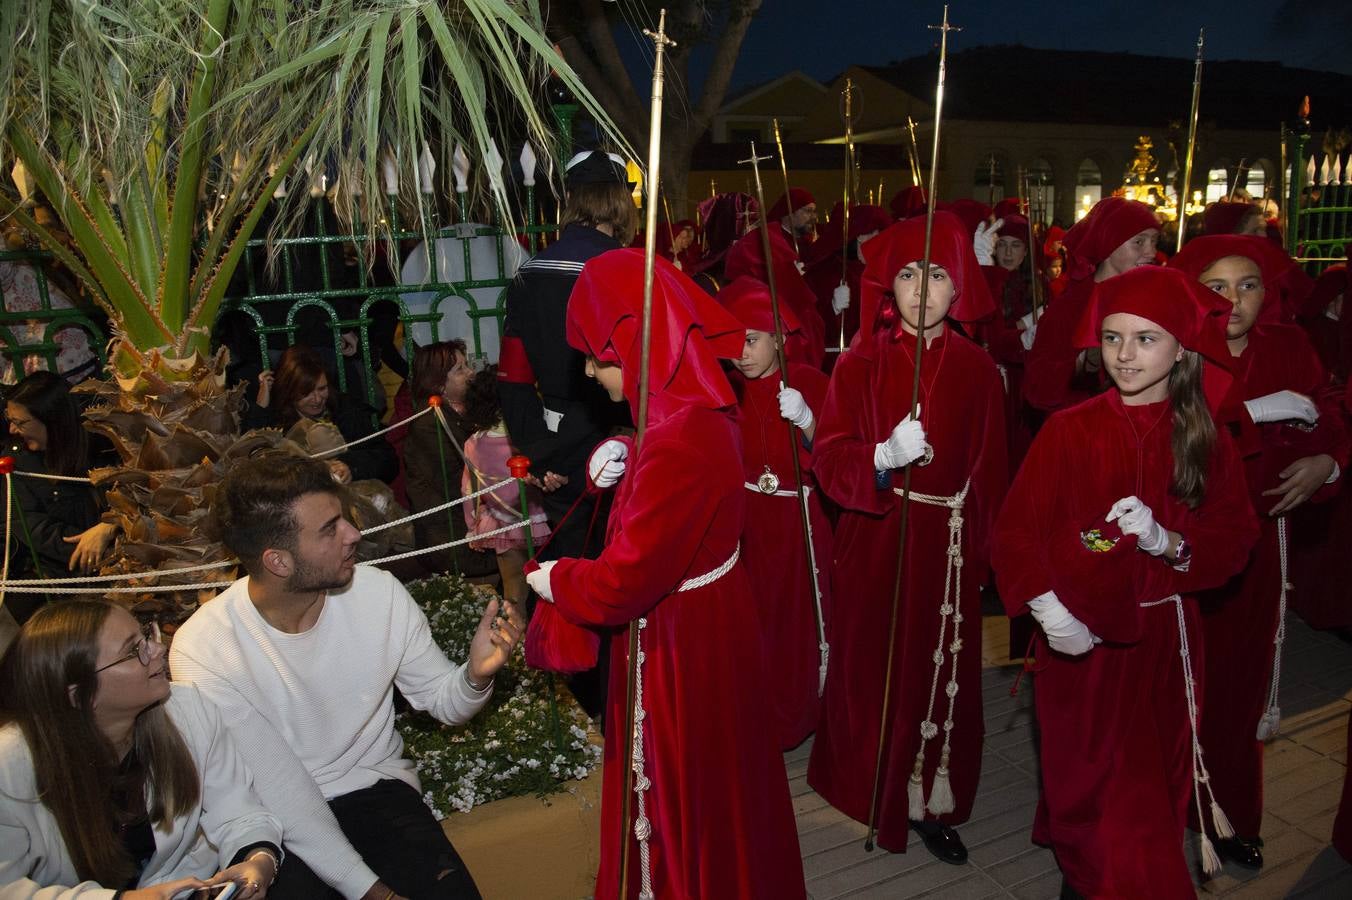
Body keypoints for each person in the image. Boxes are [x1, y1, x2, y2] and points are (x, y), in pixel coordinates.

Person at [523, 249, 805, 898]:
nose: (590, 372)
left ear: (636, 343)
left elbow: (624, 582)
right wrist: (624, 450)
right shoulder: (689, 416)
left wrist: (558, 580)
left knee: (683, 792)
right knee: (720, 789)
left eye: (599, 356)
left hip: (681, 645)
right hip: (708, 623)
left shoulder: (679, 441)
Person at [992, 266, 1259, 898]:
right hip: (1080, 646)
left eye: (1146, 339)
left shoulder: (1202, 437)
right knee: (1083, 781)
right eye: (1113, 338)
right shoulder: (1069, 430)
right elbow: (1014, 534)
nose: (1126, 355)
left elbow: (1234, 537)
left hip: (1165, 643)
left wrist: (1172, 543)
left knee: (1145, 797)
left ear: (1182, 349)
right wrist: (1049, 608)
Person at [169, 455, 524, 900]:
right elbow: (280, 793)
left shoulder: (378, 594)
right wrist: (376, 893)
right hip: (271, 826)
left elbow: (442, 702)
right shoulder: (204, 648)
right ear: (277, 561)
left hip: (375, 791)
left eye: (344, 518)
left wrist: (474, 676)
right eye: (329, 528)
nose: (353, 534)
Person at [806, 212, 1008, 864]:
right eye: (908, 273)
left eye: (940, 273)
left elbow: (990, 475)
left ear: (961, 286)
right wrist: (880, 457)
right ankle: (869, 784)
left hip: (946, 550)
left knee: (937, 673)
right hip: (880, 537)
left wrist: (982, 560)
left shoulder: (980, 371)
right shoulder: (860, 363)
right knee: (877, 673)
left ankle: (927, 796)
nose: (922, 289)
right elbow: (829, 463)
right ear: (888, 284)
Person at [1170, 235, 1348, 869]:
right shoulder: (1180, 348)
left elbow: (1329, 413)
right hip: (1185, 544)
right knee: (1178, 683)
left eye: (1248, 284)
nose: (1235, 298)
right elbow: (1166, 430)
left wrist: (1329, 462)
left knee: (1241, 686)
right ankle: (1164, 808)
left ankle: (1229, 812)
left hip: (1264, 544)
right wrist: (1247, 413)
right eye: (1217, 285)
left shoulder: (1288, 346)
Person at [0, 600, 282, 898]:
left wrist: (259, 859)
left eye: (146, 635)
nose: (158, 650)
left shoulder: (189, 711)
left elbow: (238, 811)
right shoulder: (10, 766)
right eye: (134, 651)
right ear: (80, 694)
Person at [720, 276, 833, 749]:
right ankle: (757, 714)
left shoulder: (811, 382)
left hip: (799, 521)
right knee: (752, 622)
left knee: (799, 621)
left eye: (751, 339)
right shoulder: (723, 389)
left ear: (780, 339)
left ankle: (799, 713)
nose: (741, 352)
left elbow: (842, 456)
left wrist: (810, 424)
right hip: (747, 524)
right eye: (732, 342)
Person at [1023, 197, 1160, 413]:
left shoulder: (1151, 299)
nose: (1151, 253)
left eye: (1154, 241)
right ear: (1109, 244)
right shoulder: (1072, 306)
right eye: (1139, 242)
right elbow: (1038, 388)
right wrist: (1081, 364)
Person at [2, 372, 118, 623]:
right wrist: (86, 548)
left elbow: (134, 499)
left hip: (118, 566)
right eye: (9, 420)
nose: (12, 429)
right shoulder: (18, 460)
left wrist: (108, 527)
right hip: (57, 571)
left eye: (20, 422)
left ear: (52, 421)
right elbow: (29, 525)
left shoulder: (104, 447)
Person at [402, 340, 498, 579]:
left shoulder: (463, 413)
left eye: (467, 365)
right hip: (451, 535)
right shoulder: (430, 424)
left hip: (472, 523)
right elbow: (455, 484)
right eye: (460, 369)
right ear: (438, 384)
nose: (470, 373)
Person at [459, 365, 551, 606]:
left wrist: (472, 527)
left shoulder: (474, 444)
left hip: (502, 525)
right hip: (539, 522)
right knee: (547, 586)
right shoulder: (530, 440)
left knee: (513, 592)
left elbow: (469, 491)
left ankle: (516, 640)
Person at [245, 345, 397, 484]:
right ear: (289, 392)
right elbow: (249, 459)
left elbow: (386, 459)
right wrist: (261, 406)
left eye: (322, 388)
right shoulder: (277, 419)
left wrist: (351, 466)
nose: (317, 399)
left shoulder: (344, 408)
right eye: (306, 393)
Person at [769, 187, 818, 255]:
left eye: (814, 211)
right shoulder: (772, 242)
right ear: (789, 212)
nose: (814, 216)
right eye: (808, 211)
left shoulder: (810, 241)